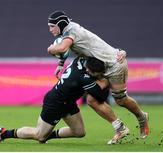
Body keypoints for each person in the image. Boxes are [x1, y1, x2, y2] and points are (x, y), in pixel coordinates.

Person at [47, 10, 149, 140]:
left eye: (52, 26)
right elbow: (67, 49)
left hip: (115, 64)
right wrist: (61, 63)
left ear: (60, 24)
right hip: (102, 67)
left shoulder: (71, 31)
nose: (50, 29)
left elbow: (62, 48)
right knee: (91, 100)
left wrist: (49, 49)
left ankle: (141, 116)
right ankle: (120, 128)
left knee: (121, 99)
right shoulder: (67, 31)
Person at [0, 57, 129, 145]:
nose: (98, 76)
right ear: (89, 70)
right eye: (96, 74)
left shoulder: (79, 59)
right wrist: (107, 81)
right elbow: (100, 96)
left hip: (68, 102)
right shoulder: (83, 78)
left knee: (79, 132)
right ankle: (4, 133)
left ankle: (48, 136)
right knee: (39, 136)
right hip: (55, 103)